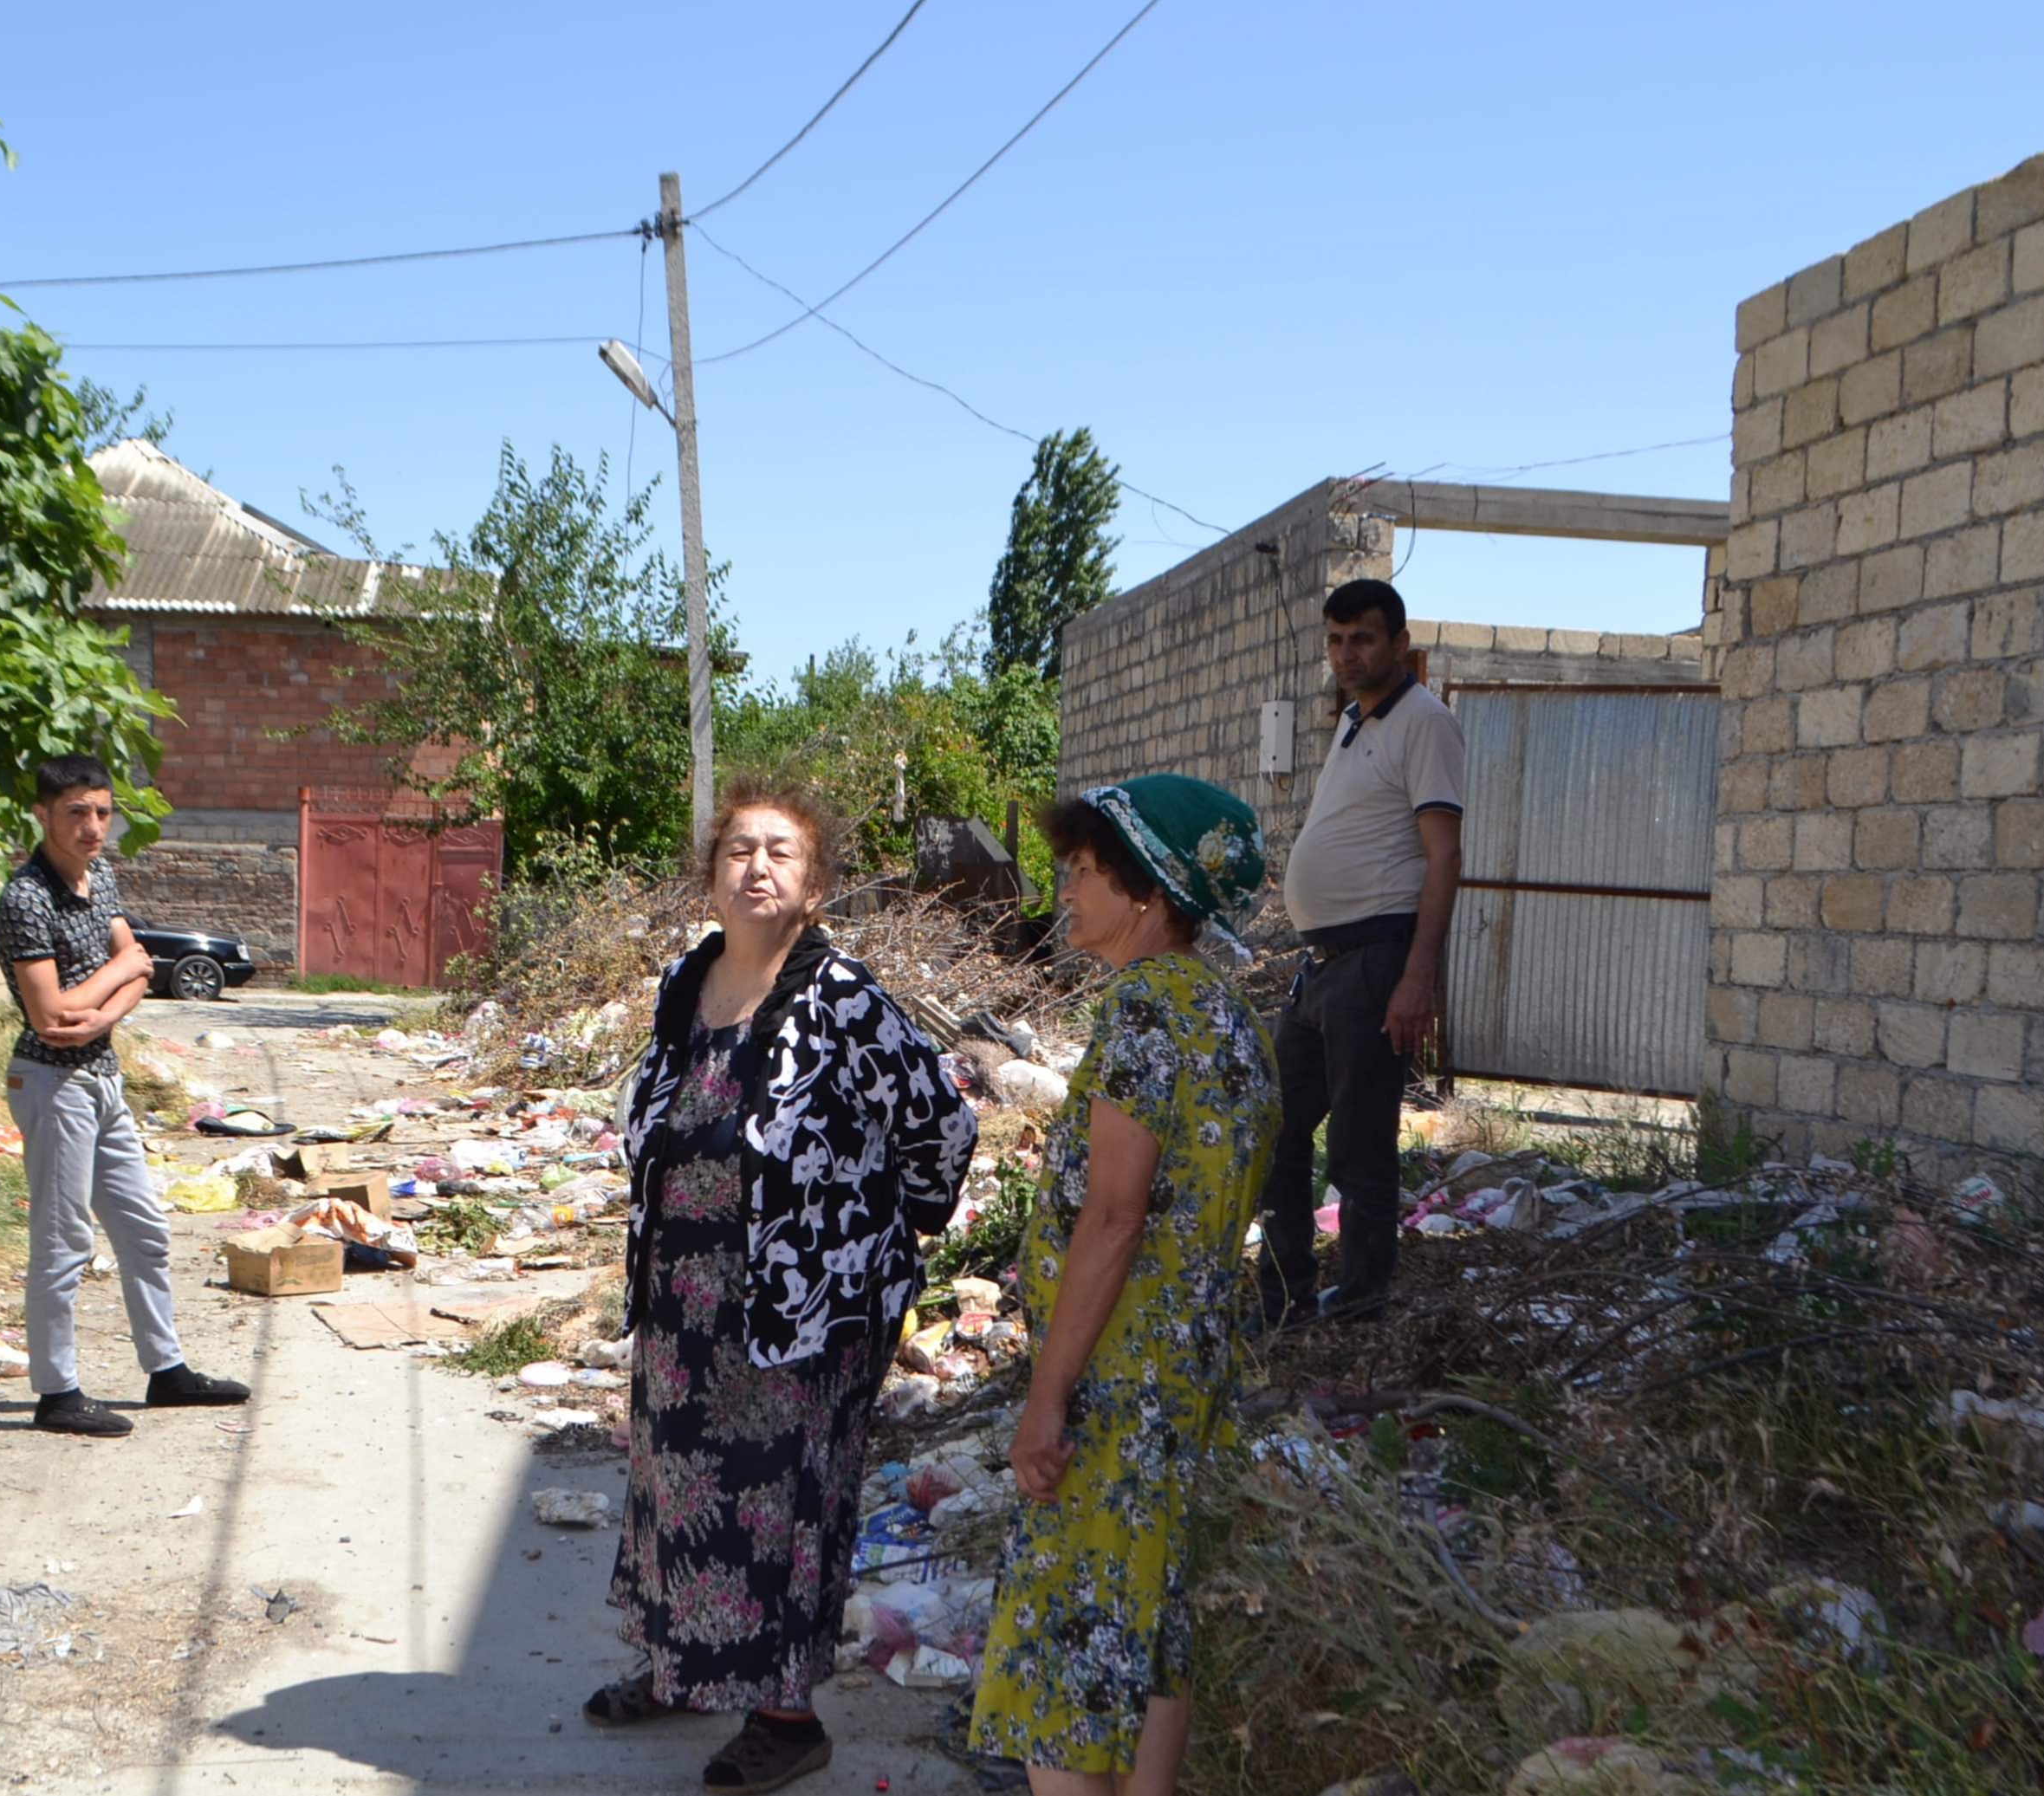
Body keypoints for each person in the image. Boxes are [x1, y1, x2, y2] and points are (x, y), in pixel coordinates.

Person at [588, 775, 976, 1795]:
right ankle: (684, 1668)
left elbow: (940, 1126)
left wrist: (869, 1235)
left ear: (813, 885)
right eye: (737, 850)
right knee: (678, 1488)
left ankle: (785, 1718)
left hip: (803, 1314)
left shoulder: (842, 999)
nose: (755, 867)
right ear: (710, 875)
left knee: (781, 1507)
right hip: (684, 1300)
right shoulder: (687, 983)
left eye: (779, 853)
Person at [970, 774, 1280, 1796]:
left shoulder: (1144, 1012)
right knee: (1148, 1620)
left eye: (1082, 872)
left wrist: (1046, 1398)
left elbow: (1114, 1215)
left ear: (1146, 892)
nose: (1065, 892)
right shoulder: (1231, 1019)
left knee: (1064, 1635)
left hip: (1114, 1378)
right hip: (1185, 1372)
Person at [0, 753, 250, 1438]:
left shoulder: (99, 875)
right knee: (63, 1241)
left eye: (102, 812)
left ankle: (167, 1372)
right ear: (42, 814)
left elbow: (138, 971)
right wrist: (118, 973)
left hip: (101, 1075)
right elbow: (51, 1012)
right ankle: (56, 1393)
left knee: (144, 1230)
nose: (93, 826)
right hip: (51, 1082)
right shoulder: (26, 899)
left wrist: (100, 1014)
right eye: (76, 812)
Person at [1256, 577, 1463, 1328]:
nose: (1347, 654)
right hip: (1321, 966)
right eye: (1336, 640)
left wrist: (1416, 977)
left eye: (1363, 639)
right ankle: (1284, 1298)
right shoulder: (1353, 719)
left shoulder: (1424, 722)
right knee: (1274, 1126)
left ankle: (1361, 1307)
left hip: (1376, 957)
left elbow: (1443, 856)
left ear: (1398, 643)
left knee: (1358, 1146)